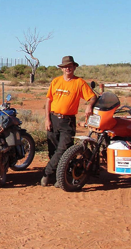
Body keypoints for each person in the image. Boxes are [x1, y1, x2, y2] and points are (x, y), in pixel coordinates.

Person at [42, 56, 97, 187]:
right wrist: (47, 119)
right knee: (53, 150)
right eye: (65, 66)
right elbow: (48, 100)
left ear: (74, 67)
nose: (68, 68)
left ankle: (46, 173)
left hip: (68, 122)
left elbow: (93, 97)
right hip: (53, 118)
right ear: (62, 68)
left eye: (70, 66)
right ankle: (59, 176)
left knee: (63, 149)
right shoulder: (56, 82)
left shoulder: (79, 83)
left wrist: (89, 105)